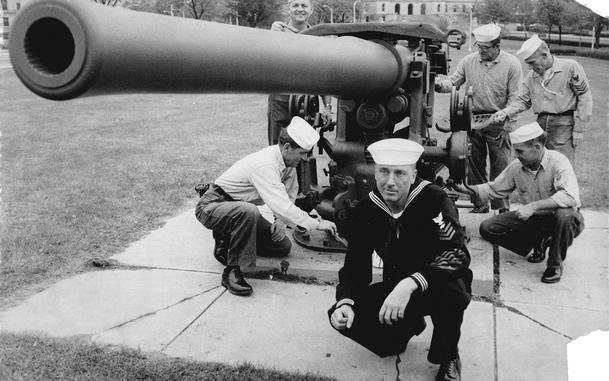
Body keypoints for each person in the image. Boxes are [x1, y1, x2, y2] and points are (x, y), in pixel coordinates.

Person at [328, 138, 472, 381]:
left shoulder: (434, 200)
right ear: (375, 172)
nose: (390, 181)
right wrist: (345, 302)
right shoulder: (367, 208)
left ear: (414, 174)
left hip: (435, 282)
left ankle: (448, 355)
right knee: (342, 318)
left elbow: (456, 253)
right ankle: (408, 325)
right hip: (396, 287)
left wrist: (410, 283)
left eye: (399, 173)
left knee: (453, 292)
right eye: (384, 172)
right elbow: (355, 264)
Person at [196, 116, 337, 296]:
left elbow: (288, 196)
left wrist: (279, 220)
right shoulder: (265, 164)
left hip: (237, 209)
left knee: (282, 246)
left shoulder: (288, 163)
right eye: (302, 153)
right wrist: (316, 223)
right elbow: (281, 205)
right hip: (213, 205)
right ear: (287, 148)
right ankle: (232, 271)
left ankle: (229, 239)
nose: (303, 158)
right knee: (249, 211)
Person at [452, 122, 584, 283]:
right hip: (535, 219)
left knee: (565, 216)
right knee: (488, 228)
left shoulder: (558, 161)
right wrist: (465, 189)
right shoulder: (517, 166)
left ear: (537, 147)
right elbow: (495, 188)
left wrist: (533, 206)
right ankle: (538, 243)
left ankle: (554, 265)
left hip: (561, 218)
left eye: (520, 151)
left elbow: (570, 197)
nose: (516, 155)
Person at [435, 23, 522, 214]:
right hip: (472, 120)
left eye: (485, 48)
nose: (480, 51)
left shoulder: (512, 64)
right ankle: (479, 202)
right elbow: (454, 81)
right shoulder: (469, 61)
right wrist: (441, 85)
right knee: (474, 163)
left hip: (500, 122)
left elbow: (516, 98)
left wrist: (506, 119)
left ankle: (502, 208)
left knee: (501, 165)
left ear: (497, 45)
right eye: (478, 47)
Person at [492, 34, 593, 163]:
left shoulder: (570, 67)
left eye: (532, 62)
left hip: (563, 125)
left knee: (561, 164)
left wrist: (579, 129)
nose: (530, 67)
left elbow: (584, 97)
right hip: (540, 123)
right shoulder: (531, 76)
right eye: (528, 63)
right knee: (540, 163)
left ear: (544, 54)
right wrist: (506, 112)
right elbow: (522, 100)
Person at [267, 0, 332, 145]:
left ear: (311, 10)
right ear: (288, 9)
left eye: (304, 5)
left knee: (304, 151)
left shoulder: (318, 38)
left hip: (307, 104)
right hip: (281, 101)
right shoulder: (278, 31)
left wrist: (327, 107)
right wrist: (272, 37)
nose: (300, 9)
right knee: (277, 149)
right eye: (295, 5)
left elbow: (323, 75)